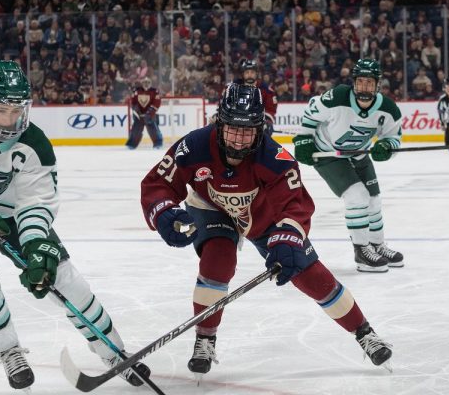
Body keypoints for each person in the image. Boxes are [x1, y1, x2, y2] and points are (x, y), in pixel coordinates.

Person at [0, 60, 150, 391]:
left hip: (8, 213)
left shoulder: (33, 143)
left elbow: (35, 202)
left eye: (16, 111)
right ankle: (8, 351)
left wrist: (36, 244)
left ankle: (114, 352)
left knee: (61, 275)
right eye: (0, 111)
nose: (9, 121)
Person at [140, 82, 393, 379]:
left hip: (262, 215)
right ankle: (205, 338)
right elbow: (158, 183)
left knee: (307, 271)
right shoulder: (193, 146)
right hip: (211, 208)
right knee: (217, 261)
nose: (239, 140)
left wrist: (287, 236)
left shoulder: (273, 156)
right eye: (233, 128)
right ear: (219, 123)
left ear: (260, 129)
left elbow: (295, 204)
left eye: (248, 131)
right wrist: (164, 212)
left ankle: (364, 332)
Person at [293, 58, 404, 273]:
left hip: (358, 153)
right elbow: (311, 113)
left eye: (369, 83)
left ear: (377, 85)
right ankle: (361, 251)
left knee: (373, 200)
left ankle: (377, 245)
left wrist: (387, 146)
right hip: (327, 153)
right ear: (354, 82)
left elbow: (393, 136)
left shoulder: (388, 109)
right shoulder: (337, 97)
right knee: (356, 196)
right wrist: (304, 139)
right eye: (360, 82)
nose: (364, 87)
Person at [236, 58, 277, 135]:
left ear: (257, 74)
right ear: (243, 74)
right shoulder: (235, 88)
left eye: (252, 72)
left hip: (258, 125)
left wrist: (266, 122)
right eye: (247, 72)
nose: (249, 75)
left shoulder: (266, 90)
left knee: (266, 133)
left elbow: (270, 110)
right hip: (238, 125)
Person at [125, 77, 163, 149]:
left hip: (150, 114)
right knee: (136, 129)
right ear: (142, 83)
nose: (146, 84)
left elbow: (157, 102)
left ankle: (158, 144)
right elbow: (133, 102)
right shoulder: (137, 91)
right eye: (144, 83)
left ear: (150, 83)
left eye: (148, 83)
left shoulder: (154, 91)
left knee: (153, 129)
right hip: (139, 115)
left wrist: (149, 112)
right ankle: (131, 144)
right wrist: (136, 110)